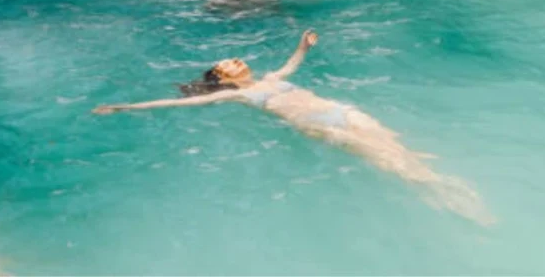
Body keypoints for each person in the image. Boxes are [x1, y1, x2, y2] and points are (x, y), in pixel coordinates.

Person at [92, 30, 493, 226]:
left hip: (340, 110)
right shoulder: (236, 95)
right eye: (229, 63)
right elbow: (185, 102)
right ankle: (439, 192)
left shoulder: (270, 77)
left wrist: (304, 45)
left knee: (397, 145)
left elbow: (292, 64)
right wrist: (124, 106)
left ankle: (435, 179)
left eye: (235, 58)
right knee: (388, 161)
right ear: (224, 78)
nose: (237, 61)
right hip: (318, 125)